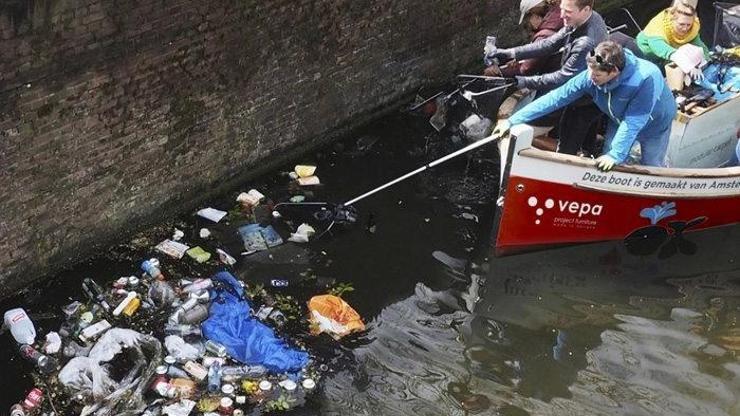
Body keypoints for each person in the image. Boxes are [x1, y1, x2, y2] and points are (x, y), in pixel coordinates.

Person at [491, 41, 677, 171]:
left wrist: (616, 155)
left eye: (597, 75)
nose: (591, 78)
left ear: (614, 72)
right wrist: (512, 121)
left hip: (654, 124)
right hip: (618, 118)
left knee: (650, 163)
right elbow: (556, 97)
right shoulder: (591, 74)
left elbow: (634, 121)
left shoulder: (646, 78)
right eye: (590, 72)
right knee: (610, 157)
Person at [484, 0, 608, 156]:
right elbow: (549, 44)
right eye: (562, 9)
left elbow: (562, 78)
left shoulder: (585, 43)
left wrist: (522, 81)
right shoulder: (584, 19)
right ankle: (589, 150)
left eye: (567, 12)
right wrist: (510, 53)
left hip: (583, 100)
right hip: (590, 92)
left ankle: (575, 163)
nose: (561, 15)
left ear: (585, 10)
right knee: (587, 140)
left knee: (567, 150)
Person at [484, 0, 564, 77]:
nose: (529, 23)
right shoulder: (562, 17)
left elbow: (527, 69)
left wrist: (499, 72)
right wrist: (521, 58)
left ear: (534, 15)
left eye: (527, 18)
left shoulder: (544, 36)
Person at [636, 0, 710, 72]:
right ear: (672, 19)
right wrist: (686, 64)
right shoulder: (658, 26)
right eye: (681, 24)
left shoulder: (692, 27)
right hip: (643, 57)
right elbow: (661, 48)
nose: (685, 29)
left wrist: (707, 59)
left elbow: (700, 46)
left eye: (688, 25)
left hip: (666, 58)